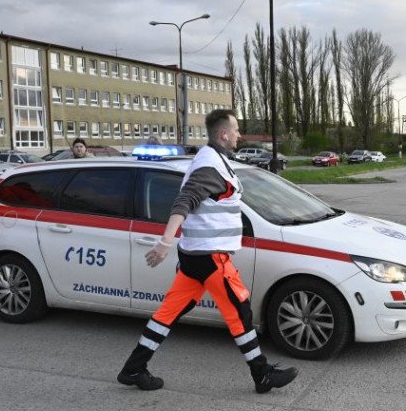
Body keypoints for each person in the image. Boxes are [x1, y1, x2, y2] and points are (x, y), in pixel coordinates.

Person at [117, 109, 298, 393]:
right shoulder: (209, 167)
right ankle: (262, 375)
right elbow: (184, 201)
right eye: (236, 130)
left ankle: (133, 368)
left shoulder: (216, 161)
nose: (239, 135)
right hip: (211, 258)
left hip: (195, 257)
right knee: (239, 312)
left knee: (167, 313)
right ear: (223, 134)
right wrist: (165, 243)